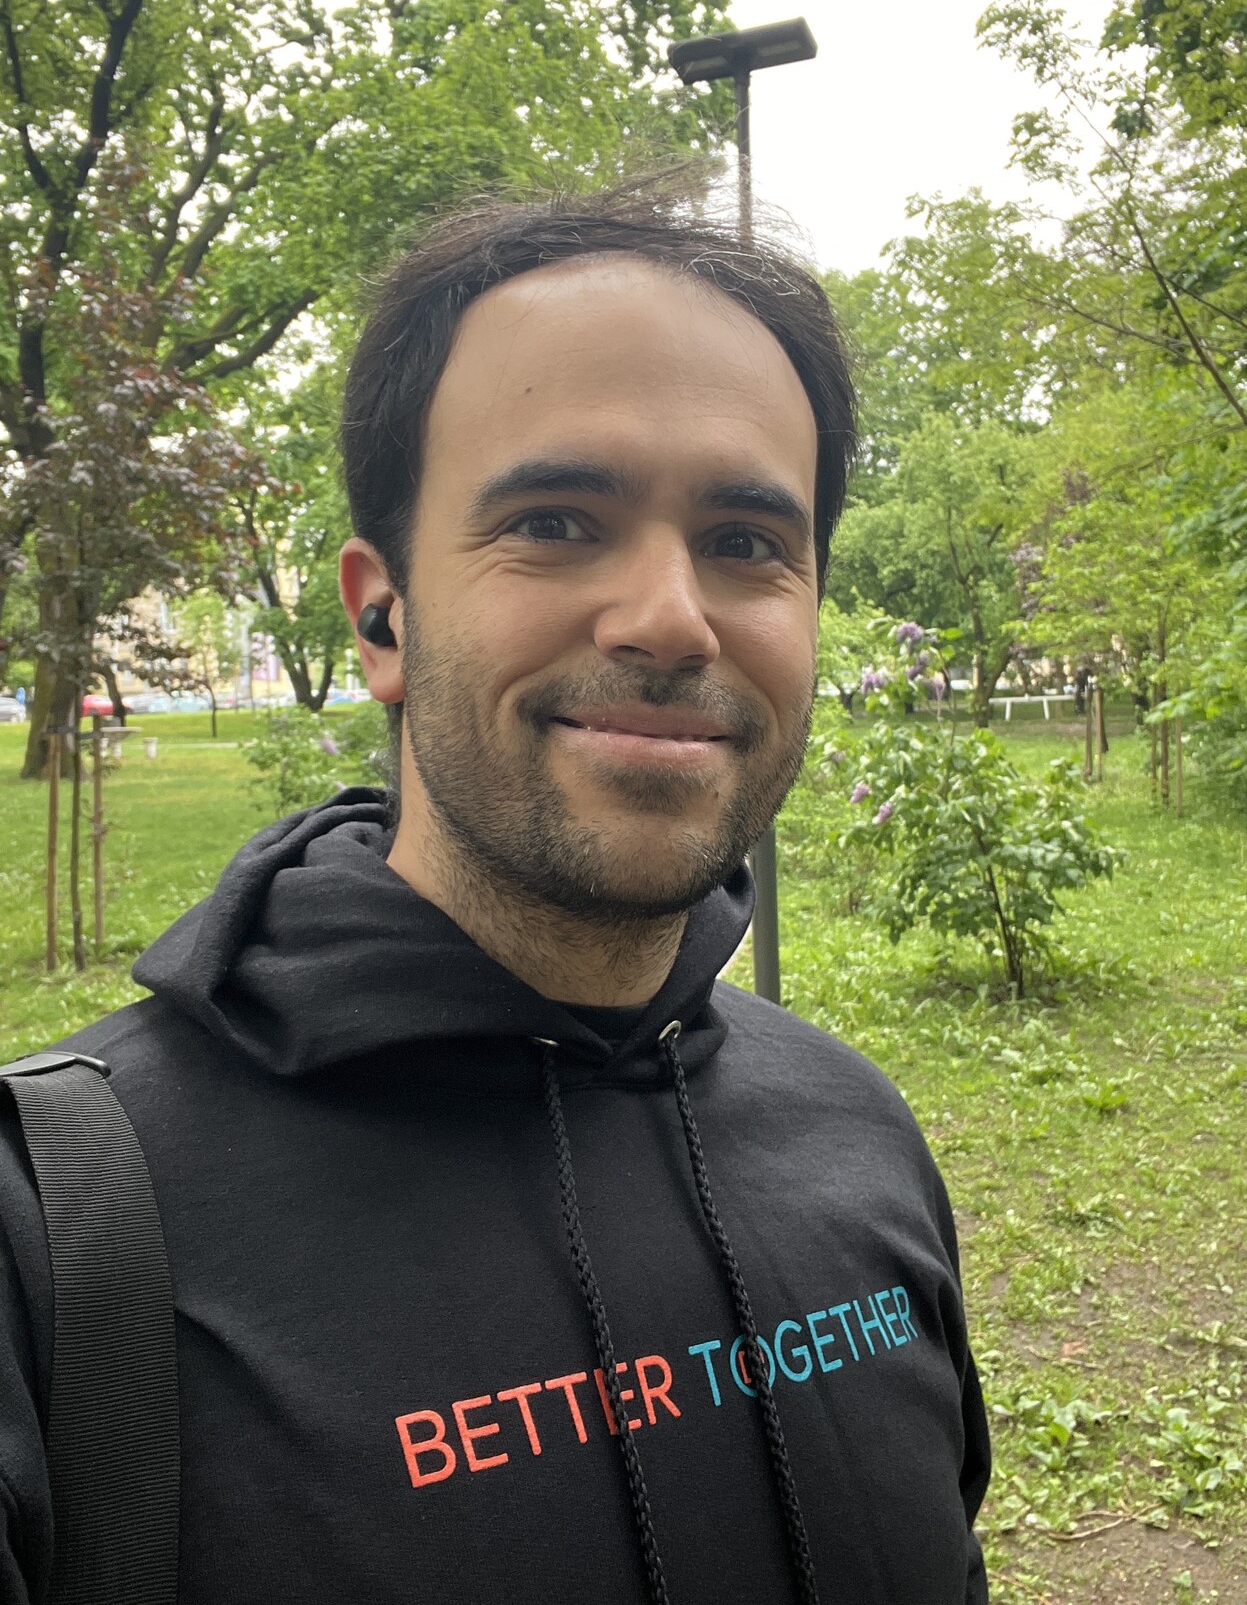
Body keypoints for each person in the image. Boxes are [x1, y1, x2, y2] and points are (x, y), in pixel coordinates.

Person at [0, 181, 991, 1604]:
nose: (670, 616)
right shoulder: (54, 1238)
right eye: (555, 519)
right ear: (381, 613)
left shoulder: (859, 1132)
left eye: (748, 543)